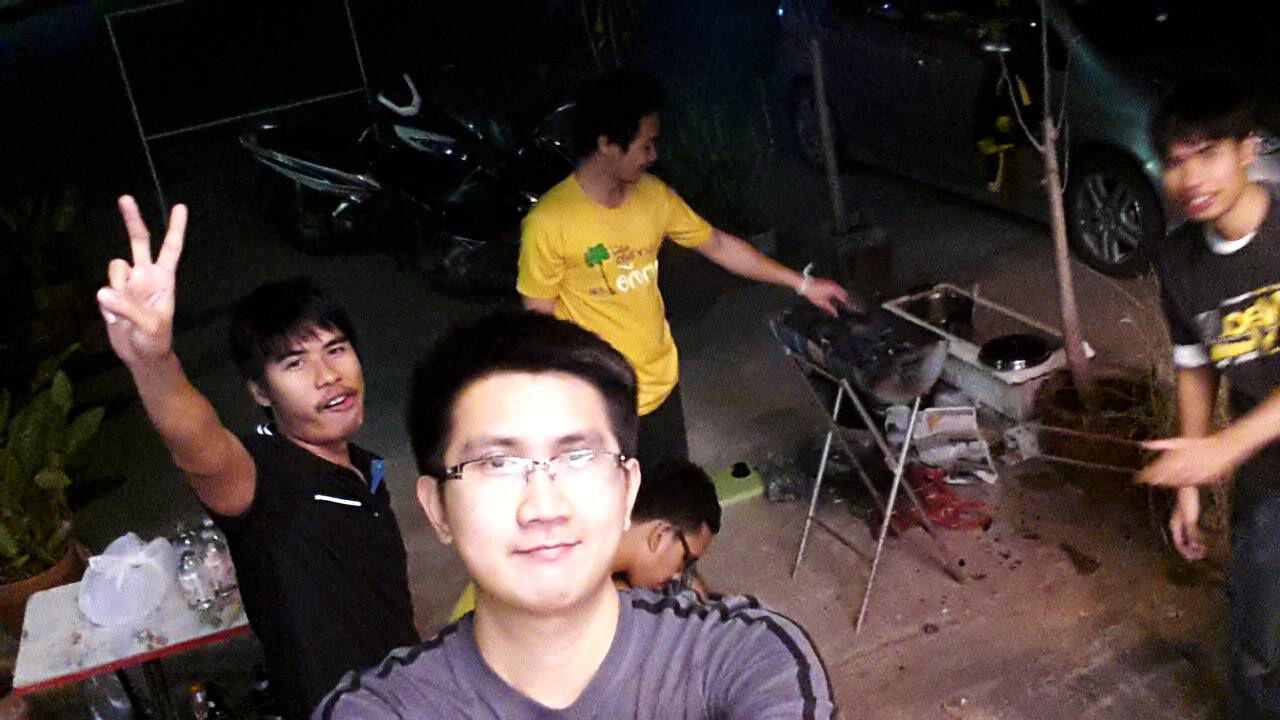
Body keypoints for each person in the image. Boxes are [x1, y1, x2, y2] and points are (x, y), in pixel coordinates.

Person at [317, 312, 835, 719]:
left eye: (579, 457)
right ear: (437, 509)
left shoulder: (747, 658)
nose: (544, 507)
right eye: (498, 463)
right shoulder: (379, 709)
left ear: (628, 490)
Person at [95, 196, 418, 720]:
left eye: (336, 349)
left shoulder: (365, 465)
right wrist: (154, 362)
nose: (328, 375)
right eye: (295, 363)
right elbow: (201, 447)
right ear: (260, 392)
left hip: (409, 689)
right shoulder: (262, 479)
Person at [518, 69, 851, 470]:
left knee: (673, 491)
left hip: (660, 383)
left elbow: (718, 244)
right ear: (606, 144)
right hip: (600, 399)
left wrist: (803, 284)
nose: (653, 156)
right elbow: (540, 318)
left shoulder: (654, 197)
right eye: (645, 145)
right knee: (619, 501)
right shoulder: (549, 222)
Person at [1136, 78, 1280, 718]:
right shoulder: (1179, 263)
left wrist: (1225, 446)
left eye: (1208, 153)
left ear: (1248, 149)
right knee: (1255, 639)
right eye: (1175, 160)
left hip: (1247, 446)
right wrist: (1189, 482)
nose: (1190, 177)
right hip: (1267, 475)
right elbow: (1195, 367)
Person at [448, 457, 723, 620]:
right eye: (685, 561)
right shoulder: (565, 576)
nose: (678, 575)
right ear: (660, 536)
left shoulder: (585, 538)